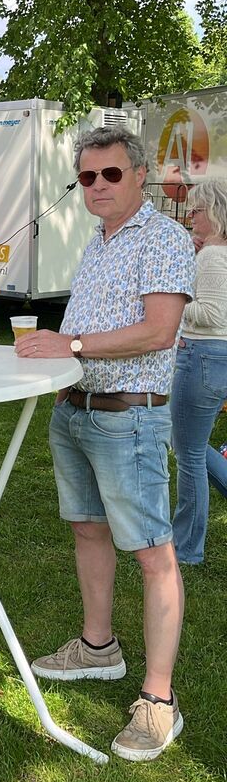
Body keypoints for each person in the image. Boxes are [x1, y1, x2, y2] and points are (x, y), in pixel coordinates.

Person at [16, 126, 195, 762]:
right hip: (76, 409)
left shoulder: (166, 237)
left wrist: (71, 346)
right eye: (86, 177)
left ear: (139, 175)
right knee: (88, 530)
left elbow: (159, 330)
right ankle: (98, 649)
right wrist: (59, 364)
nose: (95, 187)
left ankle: (159, 700)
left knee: (153, 554)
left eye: (109, 175)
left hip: (131, 419)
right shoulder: (98, 241)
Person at [170, 179, 227, 564]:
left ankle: (187, 548)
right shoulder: (213, 254)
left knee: (187, 453)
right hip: (212, 358)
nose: (190, 216)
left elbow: (212, 314)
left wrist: (172, 301)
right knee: (189, 446)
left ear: (215, 213)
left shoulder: (211, 257)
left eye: (196, 210)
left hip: (201, 355)